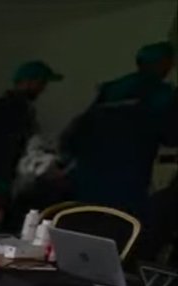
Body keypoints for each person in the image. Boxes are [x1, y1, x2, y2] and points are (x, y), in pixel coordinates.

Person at [64, 42, 176, 220]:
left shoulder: (110, 89)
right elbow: (171, 136)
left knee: (87, 226)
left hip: (87, 178)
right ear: (165, 63)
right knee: (121, 230)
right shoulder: (162, 94)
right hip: (127, 181)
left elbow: (75, 131)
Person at [0, 60, 63, 223]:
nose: (43, 88)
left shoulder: (3, 107)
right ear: (28, 82)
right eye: (41, 82)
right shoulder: (14, 110)